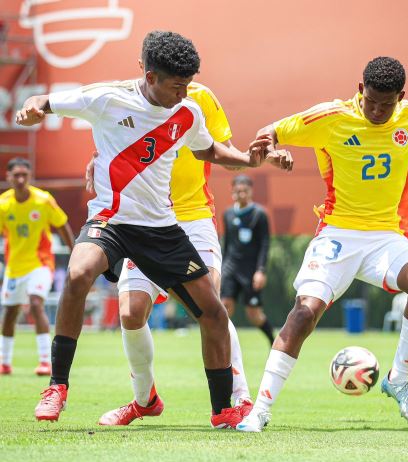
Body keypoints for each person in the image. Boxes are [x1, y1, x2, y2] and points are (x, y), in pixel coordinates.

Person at [16, 30, 292, 426]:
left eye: (189, 85)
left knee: (213, 312)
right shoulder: (107, 98)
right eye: (177, 85)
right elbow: (43, 101)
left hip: (161, 228)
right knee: (78, 274)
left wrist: (249, 161)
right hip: (111, 221)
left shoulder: (190, 109)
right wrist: (31, 110)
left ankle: (225, 409)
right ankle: (57, 387)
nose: (184, 93)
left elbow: (207, 149)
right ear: (150, 77)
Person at [236, 56, 408, 432]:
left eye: (386, 104)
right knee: (304, 313)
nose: (377, 110)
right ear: (360, 89)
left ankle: (399, 381)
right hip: (337, 236)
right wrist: (270, 147)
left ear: (401, 97)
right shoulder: (330, 117)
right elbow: (273, 130)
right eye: (371, 100)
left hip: (385, 239)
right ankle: (259, 411)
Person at [94, 81, 258, 426]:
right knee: (131, 312)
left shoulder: (200, 97)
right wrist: (96, 162)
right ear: (148, 71)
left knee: (209, 302)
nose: (178, 84)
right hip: (146, 220)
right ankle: (144, 400)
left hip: (193, 217)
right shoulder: (125, 98)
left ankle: (240, 397)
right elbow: (112, 145)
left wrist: (249, 160)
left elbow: (221, 149)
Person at [0, 157, 74, 376]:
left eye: (25, 175)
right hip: (14, 267)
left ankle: (45, 361)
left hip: (41, 264)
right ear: (8, 177)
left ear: (30, 177)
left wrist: (75, 254)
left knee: (35, 303)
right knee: (10, 313)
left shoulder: (43, 200)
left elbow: (62, 226)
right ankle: (4, 362)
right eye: (16, 175)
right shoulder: (3, 204)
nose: (21, 179)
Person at [221, 175, 275, 346]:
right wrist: (221, 268)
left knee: (254, 314)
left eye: (244, 191)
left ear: (250, 191)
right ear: (232, 192)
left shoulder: (259, 214)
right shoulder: (228, 214)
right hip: (230, 268)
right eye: (238, 191)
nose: (241, 194)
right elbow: (227, 244)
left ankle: (273, 344)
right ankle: (221, 347)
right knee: (224, 308)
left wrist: (261, 270)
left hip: (251, 270)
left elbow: (265, 244)